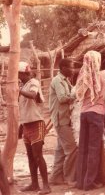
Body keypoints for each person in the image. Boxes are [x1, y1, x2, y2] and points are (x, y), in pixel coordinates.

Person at [75, 51, 105, 191]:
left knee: (83, 148)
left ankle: (81, 181)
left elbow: (77, 95)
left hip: (84, 114)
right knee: (94, 149)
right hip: (97, 114)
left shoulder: (82, 77)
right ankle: (89, 182)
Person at [18, 62, 51, 194]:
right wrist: (21, 126)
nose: (18, 76)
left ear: (23, 73)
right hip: (26, 125)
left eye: (19, 74)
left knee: (38, 155)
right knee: (31, 156)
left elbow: (32, 95)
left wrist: (18, 90)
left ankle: (46, 186)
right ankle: (34, 184)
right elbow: (22, 109)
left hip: (37, 123)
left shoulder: (33, 83)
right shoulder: (23, 85)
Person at [48, 59, 77, 185]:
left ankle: (55, 177)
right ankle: (69, 178)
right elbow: (62, 98)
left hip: (64, 119)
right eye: (71, 67)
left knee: (60, 151)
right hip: (61, 120)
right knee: (72, 149)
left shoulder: (66, 80)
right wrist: (77, 96)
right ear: (63, 67)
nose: (73, 70)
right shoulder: (58, 80)